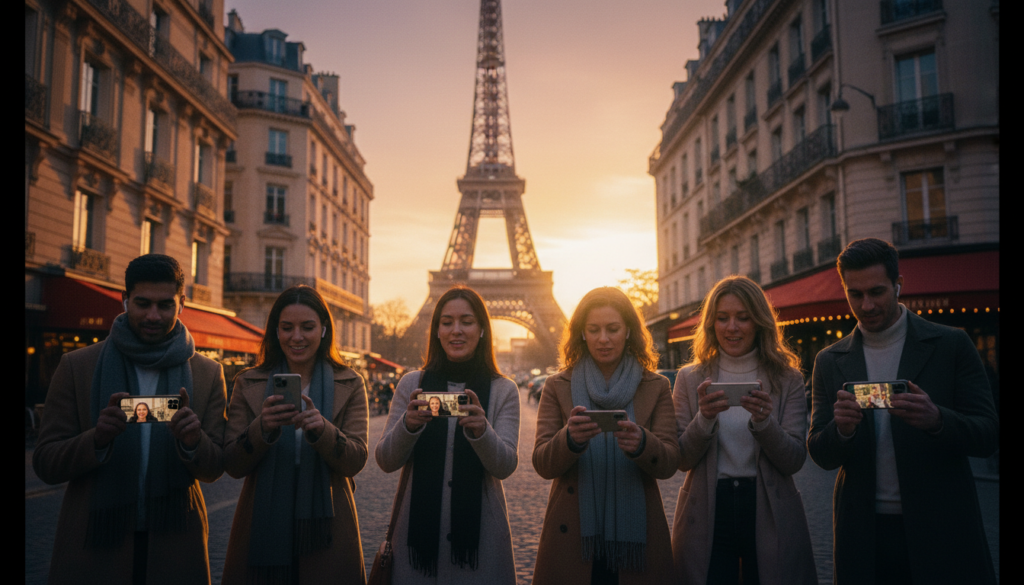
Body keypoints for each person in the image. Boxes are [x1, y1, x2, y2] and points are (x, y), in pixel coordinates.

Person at [807, 238, 998, 584]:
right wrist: (842, 431)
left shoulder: (951, 344)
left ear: (899, 285)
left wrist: (937, 420)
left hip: (943, 525)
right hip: (863, 530)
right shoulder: (829, 360)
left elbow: (987, 434)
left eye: (877, 292)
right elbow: (820, 451)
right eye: (855, 294)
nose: (866, 305)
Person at [32, 254, 228, 585]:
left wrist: (194, 443)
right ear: (124, 301)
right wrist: (95, 440)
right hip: (94, 543)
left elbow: (214, 468)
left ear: (181, 304)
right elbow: (46, 463)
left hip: (175, 543)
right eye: (142, 303)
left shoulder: (207, 373)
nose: (153, 315)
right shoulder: (77, 366)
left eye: (165, 305)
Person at [672, 276, 816, 585]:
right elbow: (680, 458)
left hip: (768, 505)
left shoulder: (787, 378)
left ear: (760, 321)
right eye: (722, 318)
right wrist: (705, 419)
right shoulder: (688, 378)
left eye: (743, 317)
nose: (731, 327)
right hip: (708, 507)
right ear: (710, 324)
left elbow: (794, 459)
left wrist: (765, 423)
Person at [221, 285, 369, 584]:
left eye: (308, 327)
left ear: (324, 330)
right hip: (261, 519)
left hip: (328, 525)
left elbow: (356, 460)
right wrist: (261, 428)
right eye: (287, 327)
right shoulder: (247, 383)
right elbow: (232, 464)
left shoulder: (351, 383)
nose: (297, 337)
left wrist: (323, 430)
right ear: (276, 331)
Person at [532, 287, 679, 585]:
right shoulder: (556, 386)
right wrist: (569, 439)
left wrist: (642, 444)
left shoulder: (657, 386)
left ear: (628, 331)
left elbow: (669, 462)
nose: (603, 338)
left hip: (638, 540)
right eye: (594, 330)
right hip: (573, 534)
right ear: (582, 333)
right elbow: (542, 463)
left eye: (612, 329)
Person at [375, 286, 520, 584]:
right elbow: (386, 460)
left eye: (466, 321)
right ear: (436, 330)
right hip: (415, 546)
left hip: (483, 545)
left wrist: (482, 432)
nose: (456, 331)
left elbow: (504, 466)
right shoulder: (411, 385)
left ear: (482, 330)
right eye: (447, 322)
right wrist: (409, 425)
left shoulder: (504, 390)